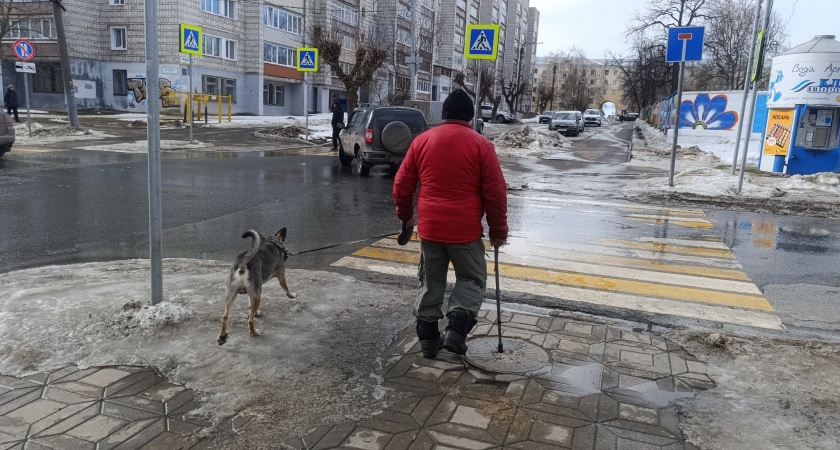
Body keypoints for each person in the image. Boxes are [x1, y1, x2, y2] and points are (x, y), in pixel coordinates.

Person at [392, 88, 508, 359]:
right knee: (472, 278)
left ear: (443, 115)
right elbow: (495, 193)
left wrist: (406, 216)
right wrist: (498, 230)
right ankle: (456, 329)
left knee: (430, 281)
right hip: (465, 232)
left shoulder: (422, 141)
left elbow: (401, 185)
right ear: (470, 117)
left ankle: (429, 340)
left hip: (430, 229)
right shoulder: (481, 145)